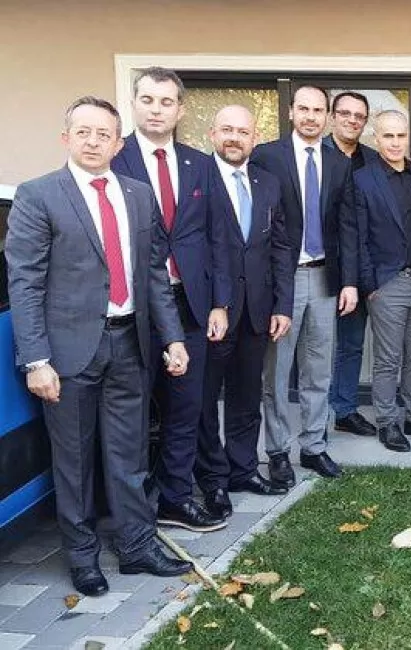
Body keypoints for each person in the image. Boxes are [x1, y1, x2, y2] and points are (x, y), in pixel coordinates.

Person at [6, 96, 193, 597]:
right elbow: (25, 283)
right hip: (68, 354)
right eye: (83, 132)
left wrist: (173, 337)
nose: (93, 142)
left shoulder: (137, 195)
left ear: (118, 143)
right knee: (75, 462)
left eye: (103, 134)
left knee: (130, 455)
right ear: (66, 138)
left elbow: (153, 274)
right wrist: (36, 360)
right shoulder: (39, 195)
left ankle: (137, 547)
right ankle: (83, 557)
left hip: (130, 343)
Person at [110, 67, 225, 533]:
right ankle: (133, 509)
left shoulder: (199, 164)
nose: (156, 110)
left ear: (180, 109)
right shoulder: (114, 160)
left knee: (185, 407)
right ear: (134, 104)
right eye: (148, 100)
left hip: (190, 304)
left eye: (166, 102)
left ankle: (175, 499)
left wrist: (219, 303)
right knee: (134, 414)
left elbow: (217, 235)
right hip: (136, 310)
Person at [251, 84, 359, 485]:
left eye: (318, 111)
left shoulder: (338, 163)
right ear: (291, 112)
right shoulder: (266, 156)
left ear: (327, 117)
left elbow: (347, 226)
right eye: (304, 109)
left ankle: (313, 446)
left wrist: (350, 281)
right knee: (277, 372)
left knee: (318, 370)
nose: (311, 117)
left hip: (326, 277)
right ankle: (277, 450)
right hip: (283, 279)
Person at [196, 105, 294, 518]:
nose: (235, 138)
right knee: (204, 401)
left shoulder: (267, 182)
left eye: (243, 131)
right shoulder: (196, 179)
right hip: (211, 313)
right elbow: (195, 248)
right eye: (227, 130)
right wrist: (215, 303)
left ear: (255, 138)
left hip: (258, 309)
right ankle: (213, 480)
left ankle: (243, 469)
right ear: (212, 134)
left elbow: (280, 247)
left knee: (246, 395)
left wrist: (283, 305)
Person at [354, 109, 411, 452]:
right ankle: (387, 422)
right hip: (388, 283)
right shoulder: (363, 180)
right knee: (388, 359)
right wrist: (370, 285)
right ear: (376, 139)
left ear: (408, 138)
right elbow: (358, 237)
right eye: (388, 136)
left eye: (400, 136)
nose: (395, 142)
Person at [325, 91, 378, 439]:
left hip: (357, 266)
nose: (352, 120)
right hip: (317, 264)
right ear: (332, 116)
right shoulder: (314, 153)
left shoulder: (372, 160)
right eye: (345, 113)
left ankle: (343, 409)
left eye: (359, 116)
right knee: (312, 346)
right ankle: (313, 415)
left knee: (351, 343)